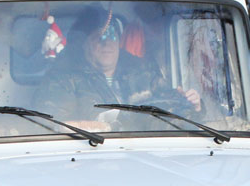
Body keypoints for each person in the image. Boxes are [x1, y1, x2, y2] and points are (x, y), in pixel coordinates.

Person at [39, 7, 199, 124]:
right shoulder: (63, 79)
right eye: (99, 37)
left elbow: (169, 105)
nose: (107, 43)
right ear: (84, 44)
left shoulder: (143, 71)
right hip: (91, 153)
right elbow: (53, 123)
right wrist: (88, 125)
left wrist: (192, 105)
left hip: (144, 147)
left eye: (112, 36)